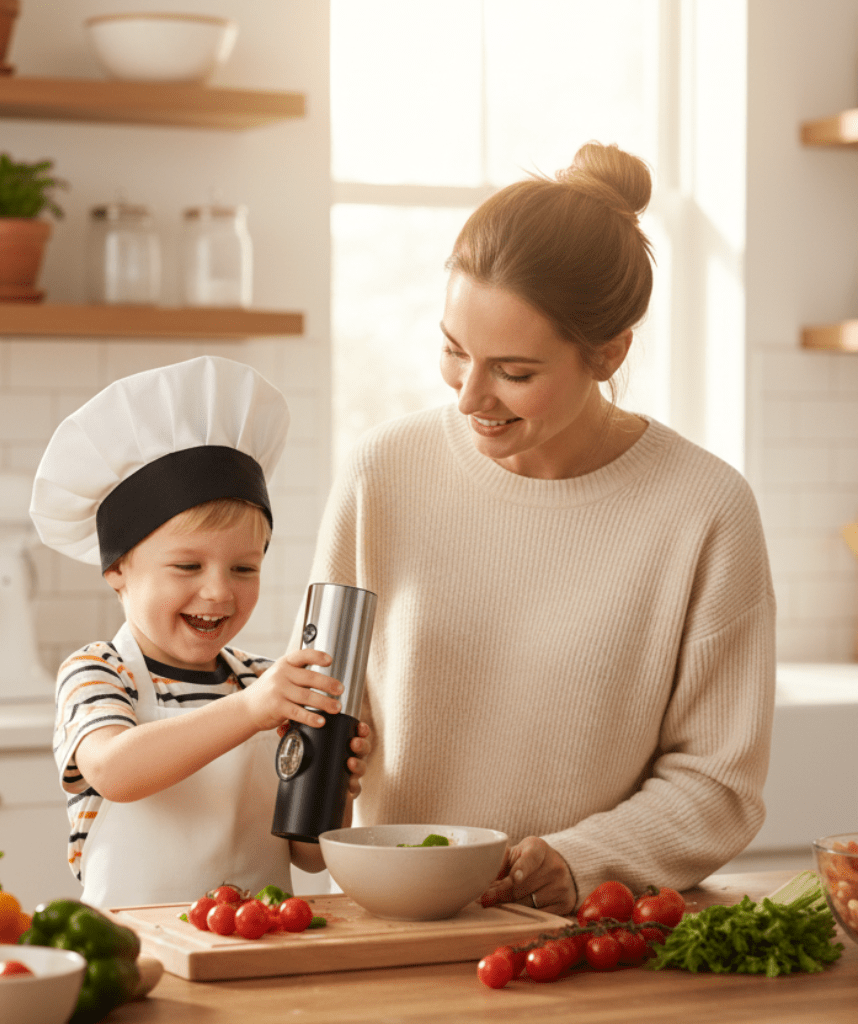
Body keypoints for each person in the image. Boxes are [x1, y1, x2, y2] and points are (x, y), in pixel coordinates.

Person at [302, 142, 776, 916]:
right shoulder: (382, 472)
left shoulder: (704, 508)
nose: (470, 397)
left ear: (609, 352)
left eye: (515, 373)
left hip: (587, 939)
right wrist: (315, 778)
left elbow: (719, 785)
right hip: (396, 927)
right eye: (455, 353)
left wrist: (579, 861)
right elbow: (314, 726)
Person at [30, 356, 371, 909]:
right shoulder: (98, 672)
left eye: (244, 568)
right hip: (138, 950)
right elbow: (117, 771)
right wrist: (252, 711)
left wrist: (338, 784)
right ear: (117, 570)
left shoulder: (261, 681)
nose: (218, 592)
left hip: (255, 946)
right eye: (188, 567)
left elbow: (310, 856)